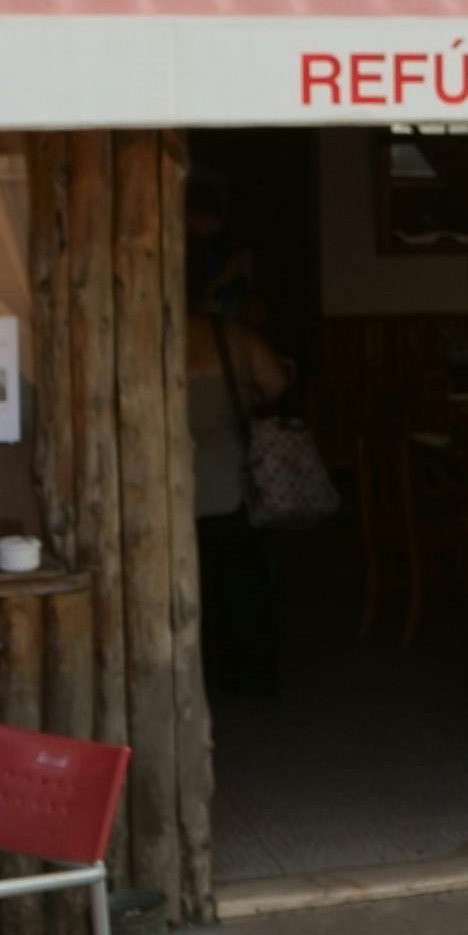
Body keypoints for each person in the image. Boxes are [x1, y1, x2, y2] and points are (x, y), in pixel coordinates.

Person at [185, 184, 292, 700]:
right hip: (226, 473)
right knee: (240, 576)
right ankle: (249, 674)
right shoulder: (235, 338)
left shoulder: (149, 336)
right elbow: (277, 386)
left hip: (166, 477)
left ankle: (194, 670)